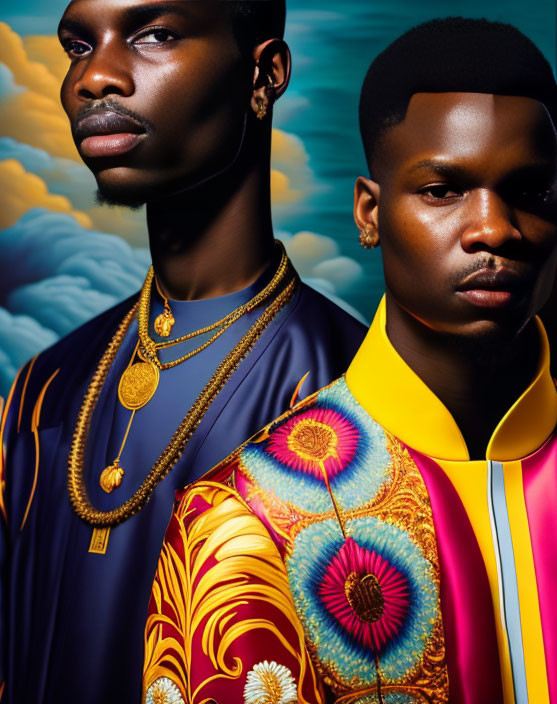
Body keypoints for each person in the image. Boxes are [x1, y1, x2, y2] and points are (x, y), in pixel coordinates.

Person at [141, 17, 557, 704]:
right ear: (369, 213)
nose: (494, 228)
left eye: (529, 192)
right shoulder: (246, 525)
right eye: (442, 190)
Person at [0, 1, 365, 701]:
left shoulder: (350, 388)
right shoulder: (46, 386)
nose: (94, 78)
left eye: (155, 35)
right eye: (79, 45)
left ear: (265, 75)